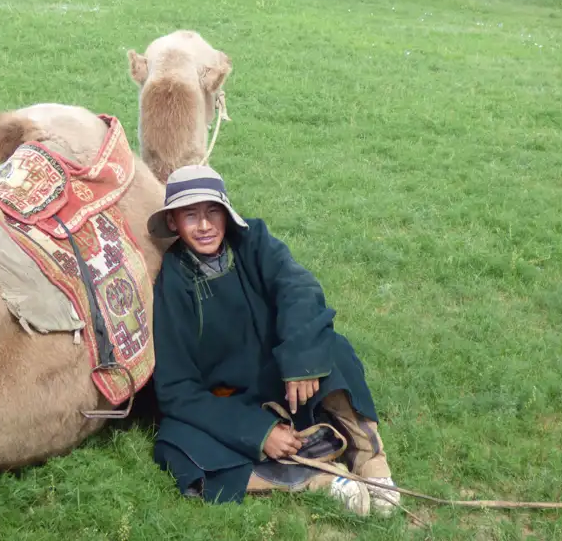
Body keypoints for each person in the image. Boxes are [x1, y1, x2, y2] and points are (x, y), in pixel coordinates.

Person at [147, 164, 400, 517]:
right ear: (173, 222)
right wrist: (258, 432)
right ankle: (315, 478)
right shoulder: (172, 281)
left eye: (212, 212)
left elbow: (298, 288)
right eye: (190, 215)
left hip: (281, 376)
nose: (204, 226)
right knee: (173, 444)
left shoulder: (253, 240)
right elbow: (177, 389)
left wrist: (300, 362)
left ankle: (370, 459)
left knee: (332, 348)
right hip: (229, 402)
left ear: (226, 213)